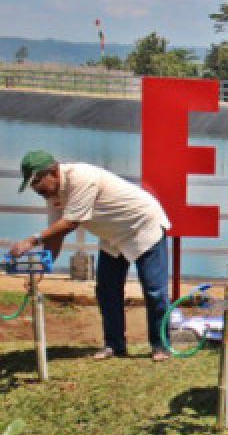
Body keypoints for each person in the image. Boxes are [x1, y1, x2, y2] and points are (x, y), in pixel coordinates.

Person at [10, 150, 172, 361]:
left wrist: (31, 240)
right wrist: (42, 267)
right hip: (112, 236)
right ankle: (114, 345)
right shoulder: (53, 195)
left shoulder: (81, 177)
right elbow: (55, 234)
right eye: (32, 185)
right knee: (106, 289)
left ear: (52, 172)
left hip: (142, 225)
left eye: (37, 182)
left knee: (154, 290)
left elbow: (70, 223)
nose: (36, 189)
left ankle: (161, 345)